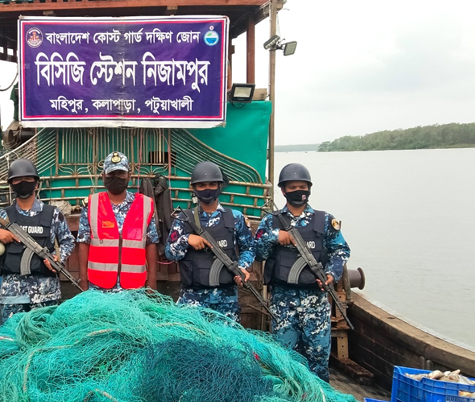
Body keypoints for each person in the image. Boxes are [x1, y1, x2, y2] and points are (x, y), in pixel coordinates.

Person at [253, 163, 350, 382]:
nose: (299, 191)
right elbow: (257, 253)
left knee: (318, 358)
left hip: (315, 300)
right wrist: (274, 236)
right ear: (283, 190)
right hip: (283, 302)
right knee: (285, 357)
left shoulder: (324, 220)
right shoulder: (271, 221)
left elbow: (341, 250)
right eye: (293, 187)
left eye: (303, 186)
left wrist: (332, 274)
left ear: (309, 189)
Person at [0, 159, 75, 322]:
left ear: (36, 184)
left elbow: (68, 242)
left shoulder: (53, 214)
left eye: (27, 180)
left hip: (46, 295)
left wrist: (58, 257)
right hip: (12, 296)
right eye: (17, 180)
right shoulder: (3, 216)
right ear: (11, 185)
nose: (22, 183)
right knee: (13, 342)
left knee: (44, 341)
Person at [165, 161, 255, 322]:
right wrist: (186, 240)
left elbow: (249, 248)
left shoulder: (235, 218)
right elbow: (169, 253)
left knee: (227, 346)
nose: (207, 189)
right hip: (192, 300)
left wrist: (242, 268)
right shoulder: (184, 219)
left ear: (220, 186)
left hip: (226, 301)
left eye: (212, 184)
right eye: (202, 185)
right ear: (194, 188)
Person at [77, 151, 159, 292]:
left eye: (121, 173)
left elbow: (151, 243)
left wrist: (152, 281)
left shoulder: (144, 205)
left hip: (134, 288)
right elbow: (83, 244)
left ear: (129, 176)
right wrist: (83, 281)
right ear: (103, 177)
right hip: (98, 287)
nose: (116, 178)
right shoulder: (92, 204)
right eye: (111, 174)